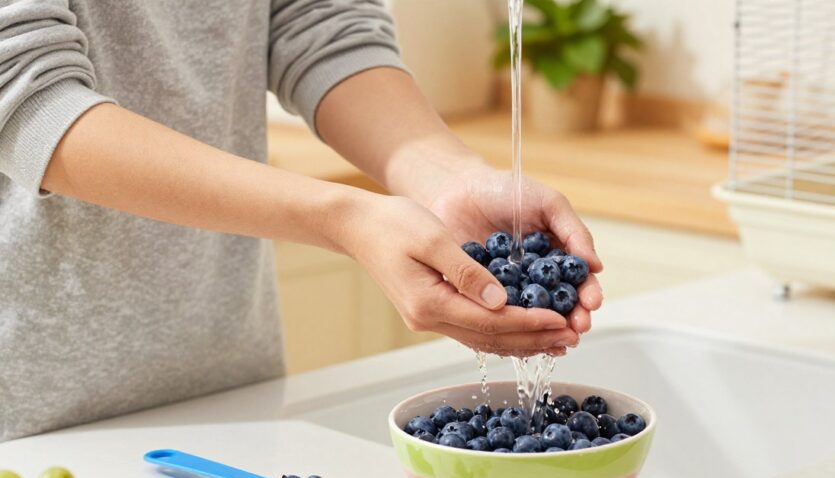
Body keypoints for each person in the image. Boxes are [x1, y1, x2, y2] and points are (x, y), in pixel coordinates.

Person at [0, 0, 602, 442]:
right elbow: (28, 99)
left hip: (238, 386)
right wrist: (344, 217)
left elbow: (318, 23)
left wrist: (447, 180)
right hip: (33, 417)